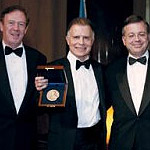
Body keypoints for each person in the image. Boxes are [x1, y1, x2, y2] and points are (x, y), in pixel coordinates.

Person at [35, 18, 107, 150]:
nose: (81, 42)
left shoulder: (101, 70)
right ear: (67, 40)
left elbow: (106, 102)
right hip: (64, 141)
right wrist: (38, 92)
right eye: (76, 37)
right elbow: (39, 109)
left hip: (95, 142)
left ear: (92, 40)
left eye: (86, 38)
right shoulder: (51, 69)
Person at [0, 5, 46, 150]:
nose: (16, 28)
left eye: (21, 24)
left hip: (28, 140)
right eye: (11, 23)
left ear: (26, 29)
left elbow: (40, 104)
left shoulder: (38, 58)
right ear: (1, 26)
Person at [105, 15, 150, 150]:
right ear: (124, 40)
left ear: (148, 36)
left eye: (141, 34)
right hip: (121, 143)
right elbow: (100, 105)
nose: (137, 39)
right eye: (131, 35)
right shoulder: (111, 70)